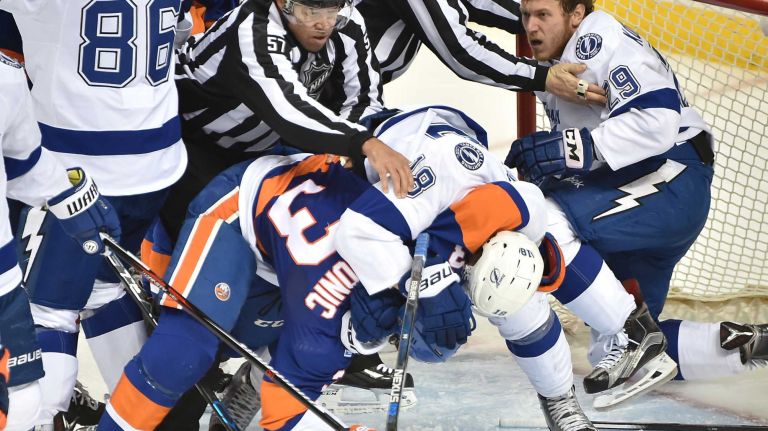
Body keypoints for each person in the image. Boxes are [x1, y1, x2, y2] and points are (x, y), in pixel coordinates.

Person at [97, 105, 598, 431]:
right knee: (185, 354)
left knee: (294, 348)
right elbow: (289, 415)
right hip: (241, 213)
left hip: (308, 258)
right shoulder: (330, 307)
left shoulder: (473, 223)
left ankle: (255, 372)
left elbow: (525, 207)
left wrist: (542, 252)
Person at [505, 0, 766, 402]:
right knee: (610, 352)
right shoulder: (564, 60)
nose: (531, 27)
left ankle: (635, 332)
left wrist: (566, 149)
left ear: (576, 14)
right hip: (654, 194)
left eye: (543, 15)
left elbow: (655, 121)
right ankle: (749, 344)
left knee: (547, 223)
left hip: (670, 181)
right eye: (526, 16)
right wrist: (564, 160)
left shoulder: (591, 43)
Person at [0, 1, 189, 428]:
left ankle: (40, 421)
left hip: (76, 170)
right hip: (157, 162)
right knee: (103, 290)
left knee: (48, 309)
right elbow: (184, 29)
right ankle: (146, 416)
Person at [0, 52, 121, 431]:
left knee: (25, 404)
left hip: (3, 286)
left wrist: (69, 195)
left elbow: (22, 164)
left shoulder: (5, 79)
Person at [355, 0, 607, 105]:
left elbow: (484, 2)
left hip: (349, 88)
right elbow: (460, 51)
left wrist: (572, 18)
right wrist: (543, 77)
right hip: (329, 93)